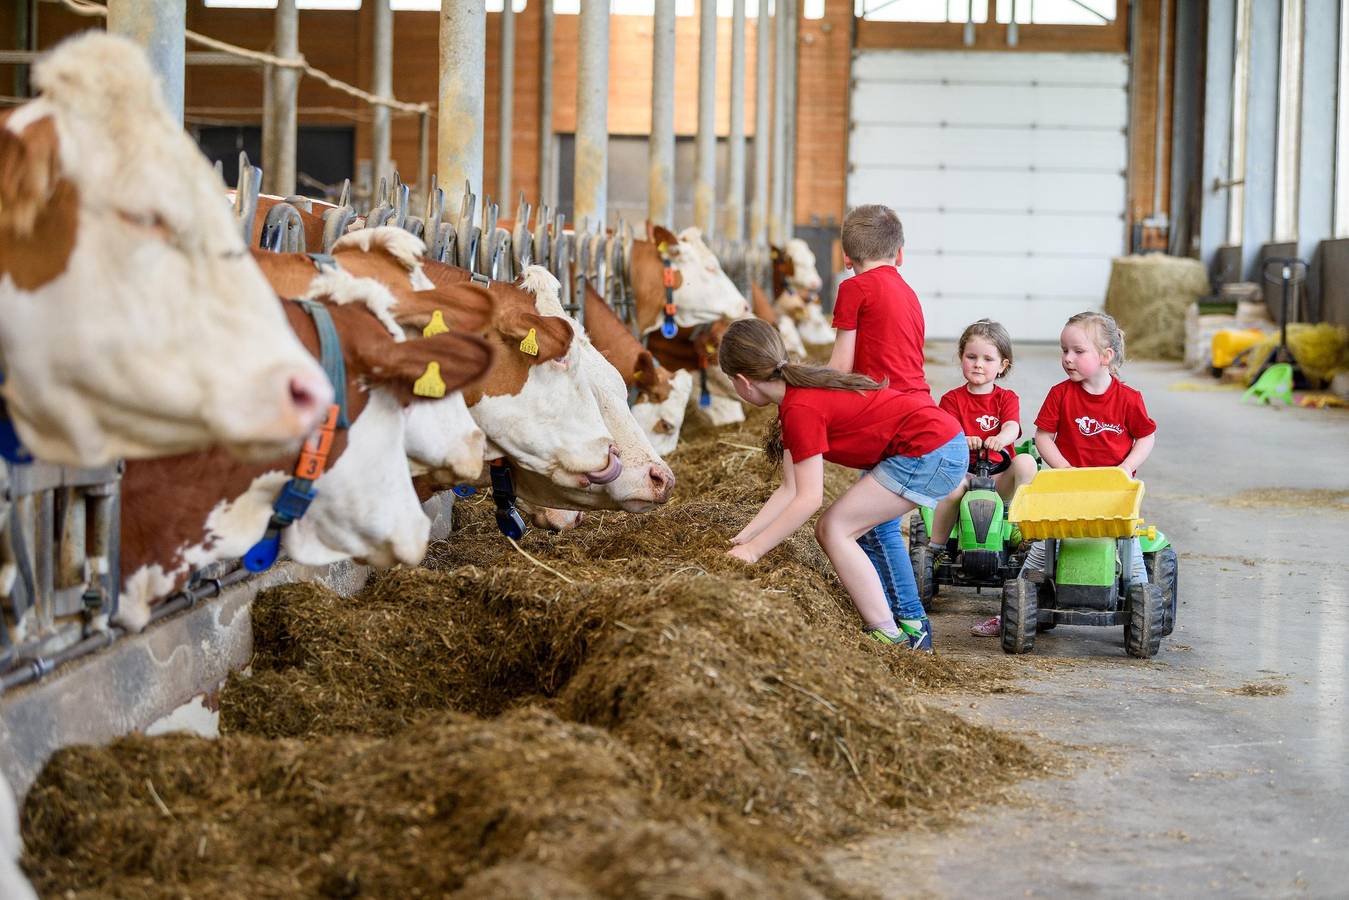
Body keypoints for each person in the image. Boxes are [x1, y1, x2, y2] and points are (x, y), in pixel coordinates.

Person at [720, 318, 966, 650]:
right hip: (936, 444)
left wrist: (753, 553)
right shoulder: (796, 396)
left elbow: (809, 498)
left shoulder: (799, 409)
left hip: (930, 451)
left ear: (742, 381)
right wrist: (745, 538)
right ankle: (905, 626)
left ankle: (888, 634)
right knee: (840, 527)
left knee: (834, 528)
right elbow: (789, 489)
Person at [825, 204, 937, 648]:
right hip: (915, 412)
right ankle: (887, 615)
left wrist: (803, 393)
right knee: (873, 523)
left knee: (883, 526)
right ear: (900, 254)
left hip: (889, 421)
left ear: (846, 258)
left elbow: (840, 366)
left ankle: (911, 625)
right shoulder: (908, 292)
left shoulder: (853, 288)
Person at [1018, 311, 1157, 591]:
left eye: (1078, 351)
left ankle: (1141, 598)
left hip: (1114, 490)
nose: (1068, 358)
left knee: (1130, 555)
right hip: (1069, 487)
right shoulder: (1060, 394)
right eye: (1064, 350)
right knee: (1043, 549)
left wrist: (1126, 467)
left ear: (1105, 356)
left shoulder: (1128, 399)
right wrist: (1063, 467)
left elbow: (1145, 436)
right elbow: (1043, 436)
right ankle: (1023, 597)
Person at [927, 320, 1039, 637]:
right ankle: (936, 548)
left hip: (1000, 477)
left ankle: (1019, 525)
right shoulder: (952, 400)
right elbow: (946, 432)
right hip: (966, 475)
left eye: (988, 359)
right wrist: (963, 439)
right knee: (951, 489)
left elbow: (1013, 427)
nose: (978, 364)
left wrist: (1001, 438)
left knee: (1027, 463)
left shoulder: (1006, 398)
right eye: (971, 357)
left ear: (1003, 365)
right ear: (961, 357)